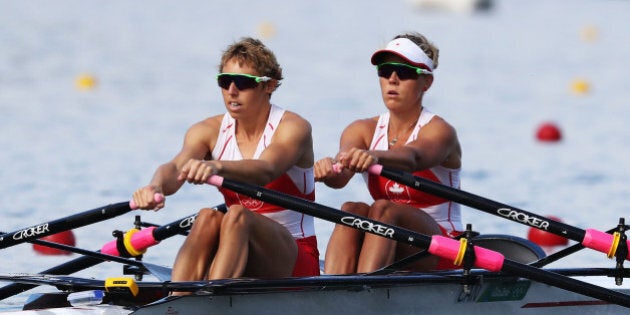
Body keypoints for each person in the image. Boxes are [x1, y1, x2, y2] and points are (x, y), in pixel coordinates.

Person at [131, 37, 320, 292]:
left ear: (269, 86)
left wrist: (217, 167)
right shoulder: (207, 130)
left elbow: (266, 169)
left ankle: (209, 300)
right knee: (207, 217)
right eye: (224, 81)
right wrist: (154, 187)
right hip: (238, 248)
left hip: (296, 258)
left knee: (238, 215)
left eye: (243, 82)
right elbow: (175, 168)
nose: (232, 90)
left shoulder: (293, 128)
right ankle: (178, 298)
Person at [315, 32, 463, 274]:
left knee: (384, 208)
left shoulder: (440, 131)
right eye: (385, 71)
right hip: (384, 237)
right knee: (352, 209)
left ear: (426, 82)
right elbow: (339, 177)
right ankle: (334, 289)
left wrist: (375, 156)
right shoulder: (361, 129)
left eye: (404, 72)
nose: (392, 79)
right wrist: (328, 168)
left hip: (444, 248)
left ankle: (364, 290)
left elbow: (413, 157)